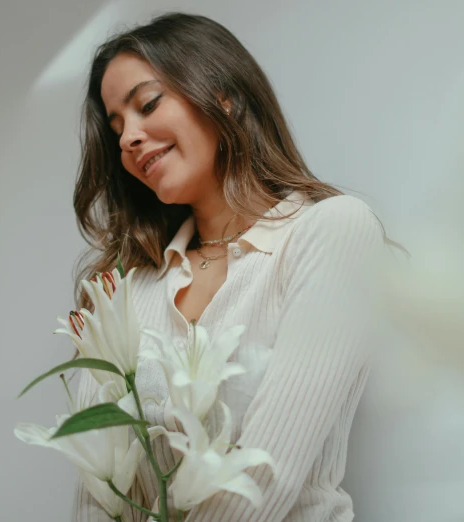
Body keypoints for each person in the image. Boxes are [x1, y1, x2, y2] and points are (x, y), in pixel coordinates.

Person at [69, 12, 396, 522]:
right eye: (117, 128)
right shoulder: (125, 288)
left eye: (147, 104)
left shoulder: (334, 232)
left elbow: (267, 474)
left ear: (223, 95)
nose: (129, 138)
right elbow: (98, 489)